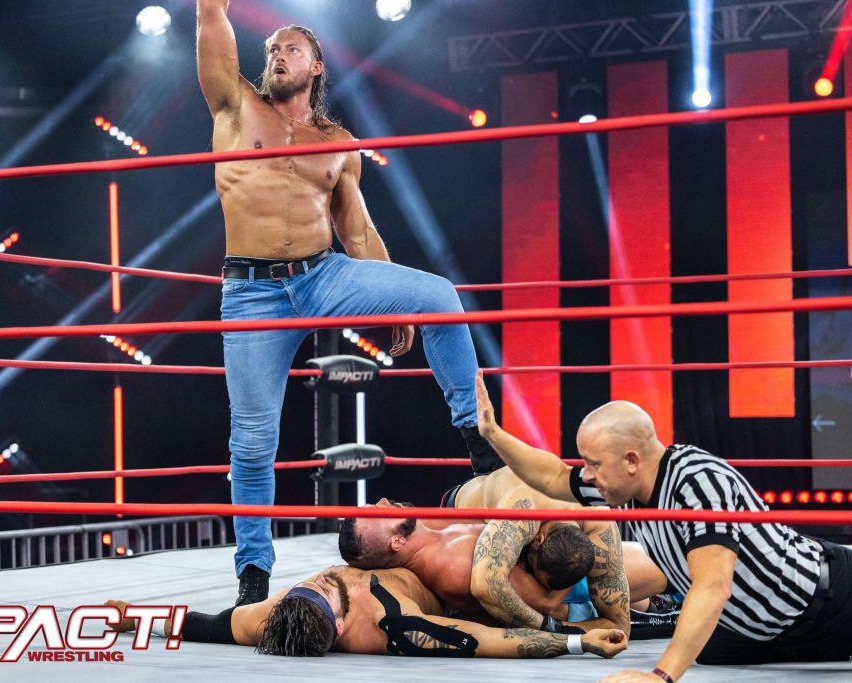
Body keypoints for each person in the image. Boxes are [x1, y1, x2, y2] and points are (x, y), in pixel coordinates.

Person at [195, 1, 503, 605]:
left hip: (323, 274)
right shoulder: (234, 105)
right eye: (271, 48)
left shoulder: (338, 142)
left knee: (438, 296)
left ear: (315, 65)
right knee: (252, 442)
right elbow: (210, 18)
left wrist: (394, 303)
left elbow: (356, 231)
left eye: (290, 48)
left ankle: (474, 432)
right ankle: (253, 570)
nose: (276, 54)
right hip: (253, 292)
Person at [472, 371, 852, 681]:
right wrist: (493, 434)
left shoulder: (697, 484)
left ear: (631, 460)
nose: (588, 474)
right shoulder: (626, 484)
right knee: (708, 650)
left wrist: (660, 676)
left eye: (594, 464)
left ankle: (836, 637)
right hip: (762, 625)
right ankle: (819, 645)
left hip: (831, 599)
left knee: (693, 644)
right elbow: (553, 477)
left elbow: (713, 586)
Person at [107, 565, 627, 659]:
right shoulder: (390, 624)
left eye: (305, 586)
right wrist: (576, 642)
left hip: (416, 546)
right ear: (339, 625)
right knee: (611, 586)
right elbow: (484, 639)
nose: (315, 578)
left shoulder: (265, 619)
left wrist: (135, 617)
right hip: (470, 590)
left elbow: (201, 626)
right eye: (324, 589)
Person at [338, 498, 665, 635]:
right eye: (380, 512)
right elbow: (544, 600)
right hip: (570, 585)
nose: (384, 502)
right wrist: (575, 553)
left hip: (553, 556)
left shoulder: (425, 524)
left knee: (656, 589)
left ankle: (658, 606)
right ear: (396, 542)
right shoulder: (453, 568)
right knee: (669, 566)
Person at [441, 467, 679, 625]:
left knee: (557, 600)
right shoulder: (519, 516)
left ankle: (662, 605)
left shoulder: (598, 519)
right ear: (537, 540)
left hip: (519, 524)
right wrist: (546, 626)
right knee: (536, 602)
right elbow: (484, 586)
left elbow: (618, 625)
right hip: (466, 516)